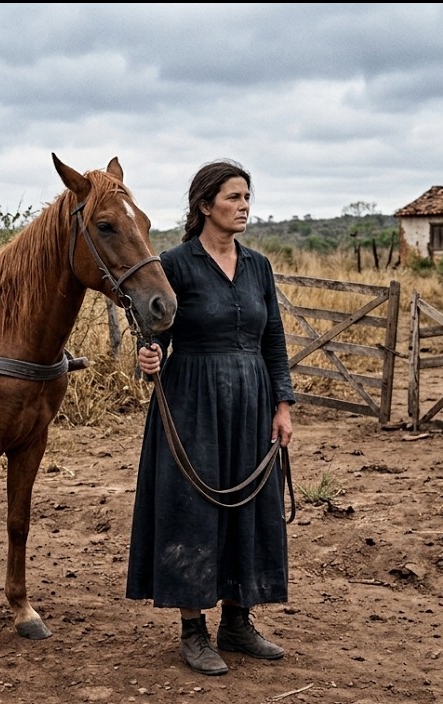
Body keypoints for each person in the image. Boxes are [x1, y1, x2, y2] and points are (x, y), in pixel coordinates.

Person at [127, 159, 295, 676]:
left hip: (251, 399)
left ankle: (239, 622)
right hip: (191, 400)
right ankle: (194, 630)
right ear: (204, 206)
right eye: (234, 198)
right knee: (191, 509)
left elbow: (273, 340)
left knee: (247, 507)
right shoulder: (174, 263)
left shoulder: (258, 267)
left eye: (248, 197)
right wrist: (147, 353)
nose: (244, 207)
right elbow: (153, 332)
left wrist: (283, 405)